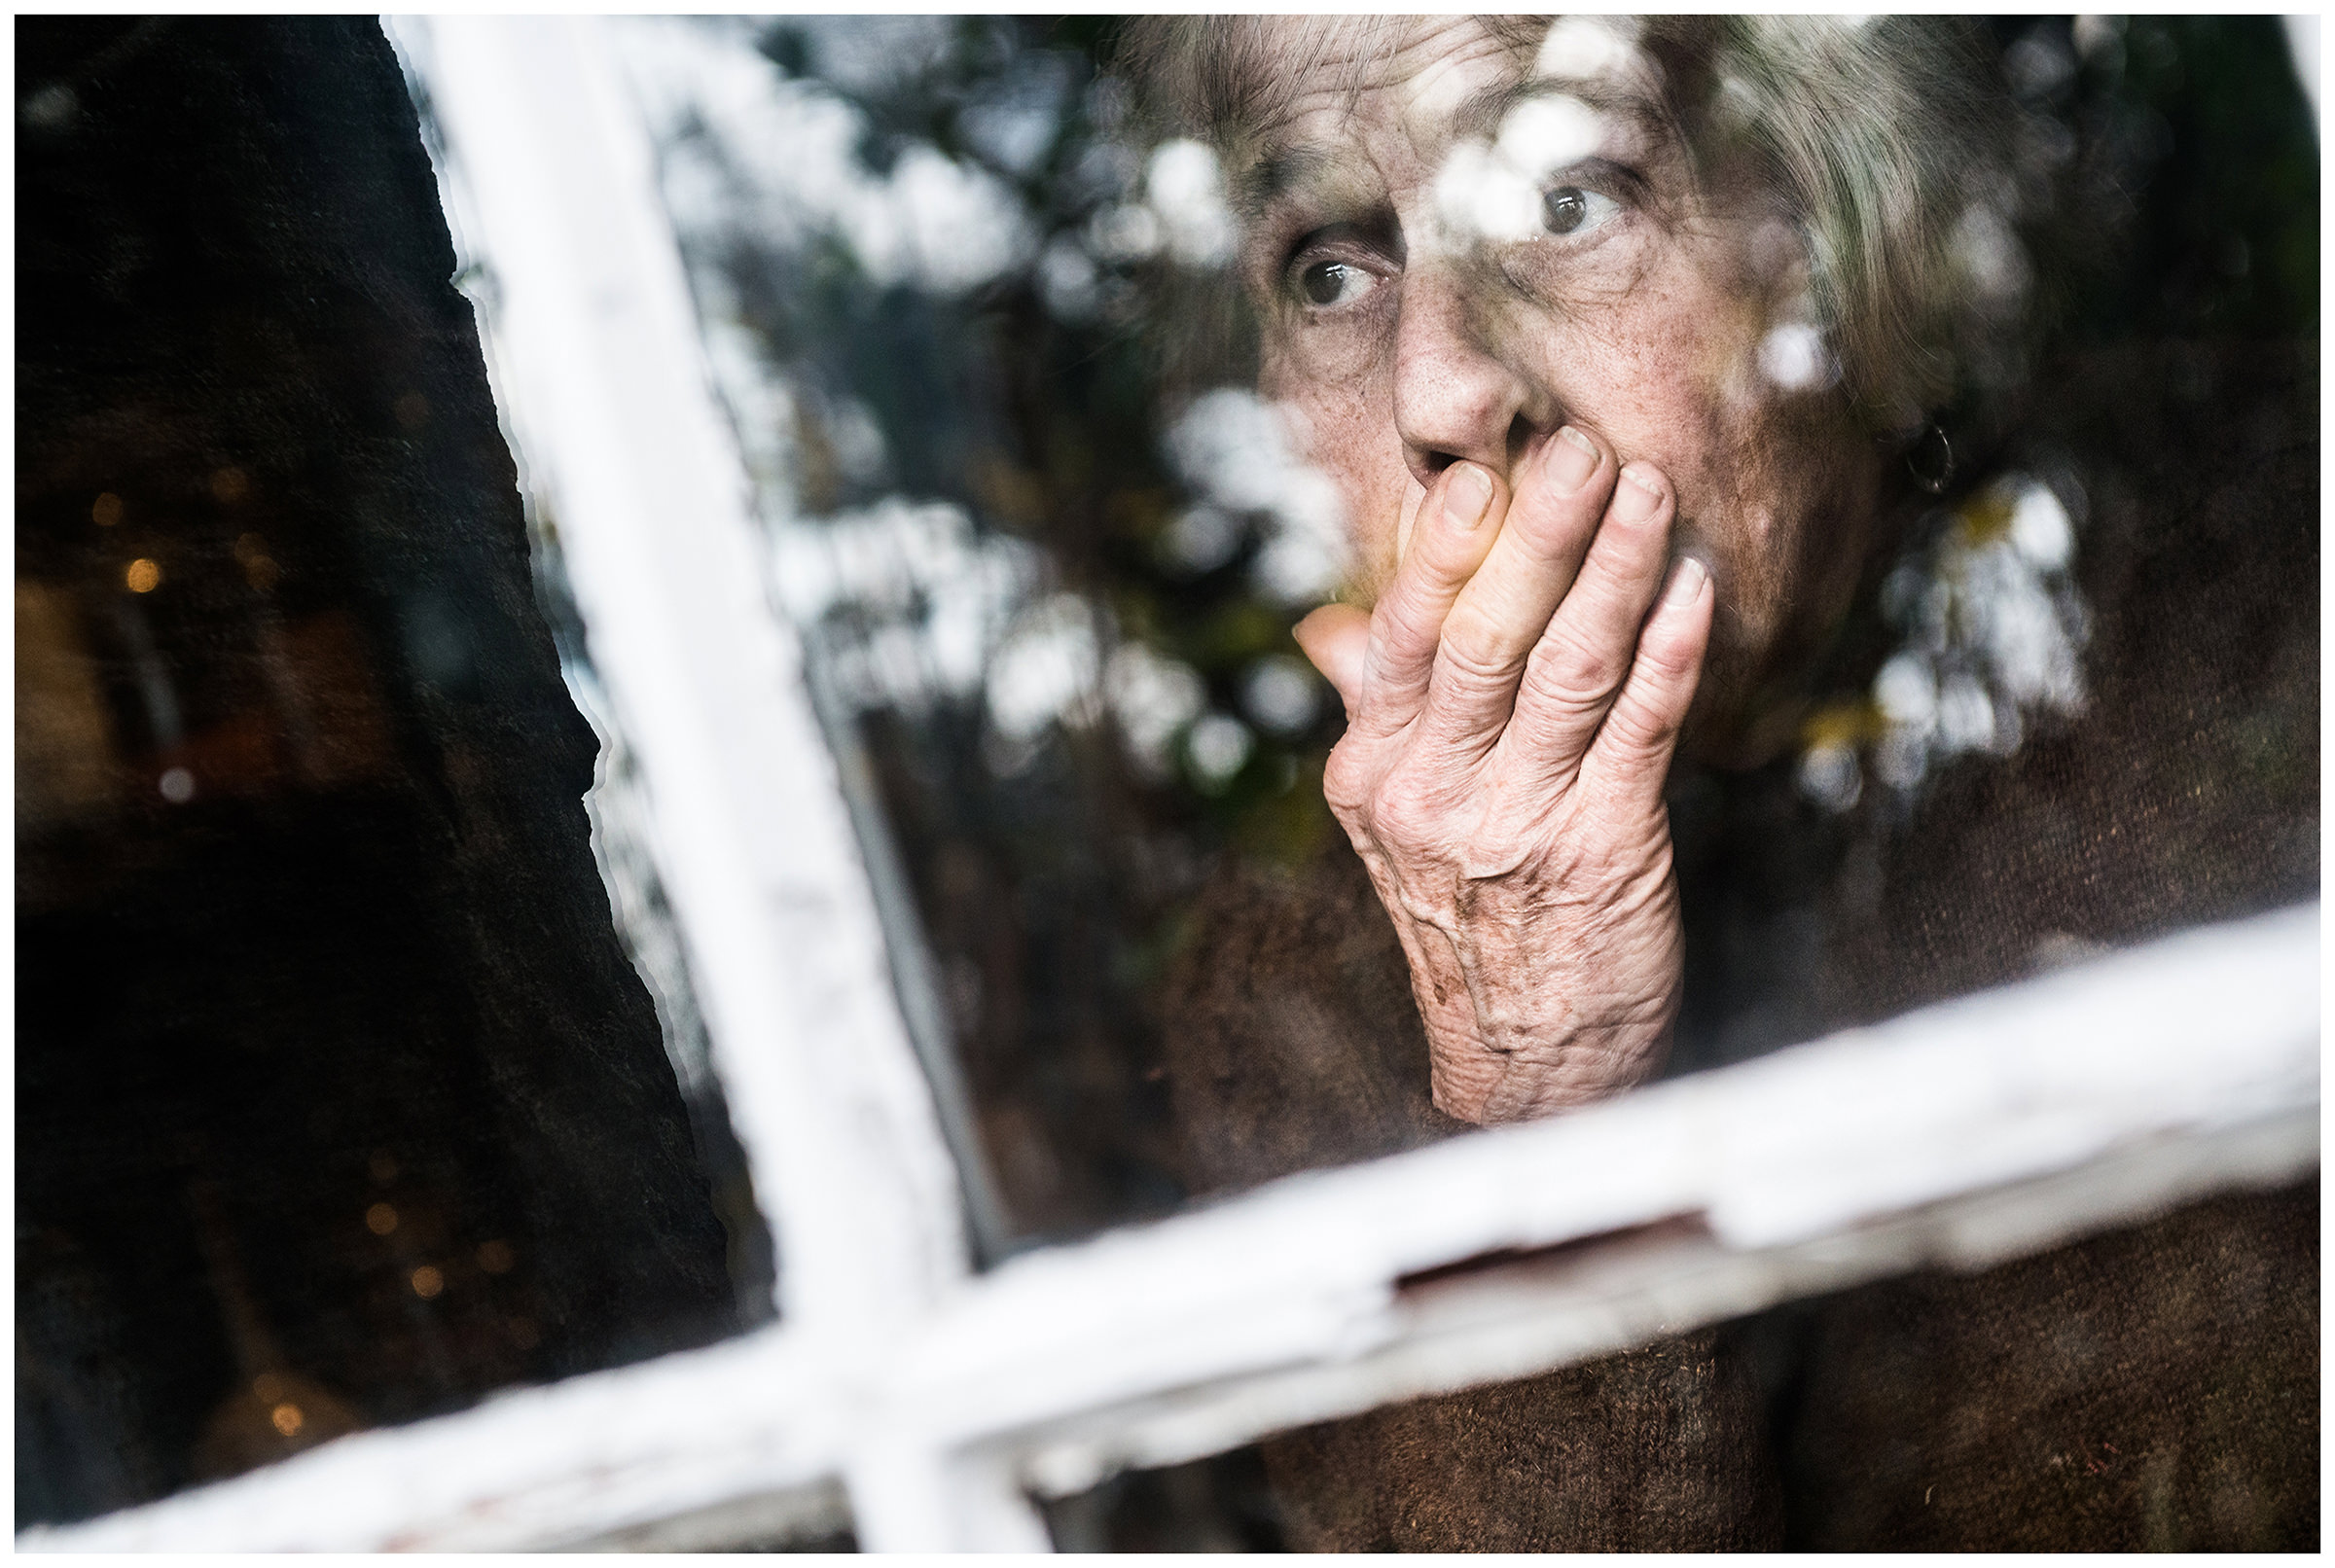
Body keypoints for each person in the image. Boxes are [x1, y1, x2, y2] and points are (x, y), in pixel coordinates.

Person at [1124, 16, 2317, 1550]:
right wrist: (1532, 1104)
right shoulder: (1290, 1000)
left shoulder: (2269, 627)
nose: (1440, 393)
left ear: (1835, 235)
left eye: (1569, 197)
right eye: (1331, 272)